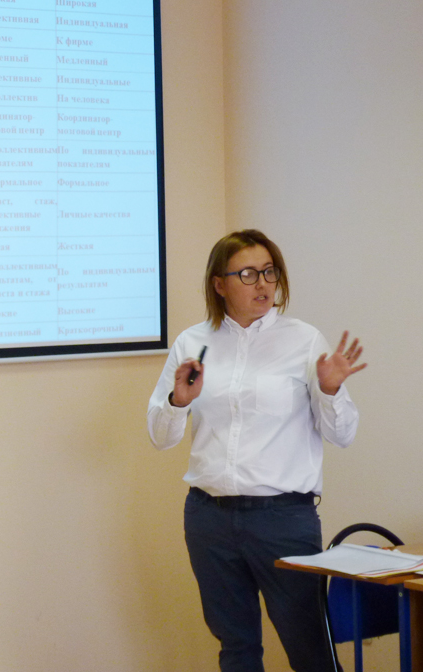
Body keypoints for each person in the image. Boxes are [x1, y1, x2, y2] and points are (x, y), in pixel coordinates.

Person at [146, 229, 367, 672]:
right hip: (209, 518)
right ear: (219, 284)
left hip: (282, 519)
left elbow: (342, 435)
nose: (263, 284)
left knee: (309, 647)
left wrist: (330, 390)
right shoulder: (193, 342)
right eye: (247, 274)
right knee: (236, 647)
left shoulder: (304, 340)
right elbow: (161, 436)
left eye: (269, 272)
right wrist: (178, 401)